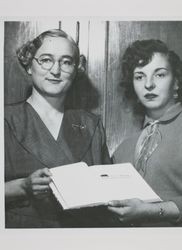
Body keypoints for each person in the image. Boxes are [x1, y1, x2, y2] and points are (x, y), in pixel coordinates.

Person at [5, 29, 111, 228]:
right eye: (46, 60)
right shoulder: (6, 119)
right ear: (29, 65)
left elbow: (107, 189)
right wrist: (23, 186)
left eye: (66, 62)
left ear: (75, 69)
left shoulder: (91, 124)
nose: (55, 70)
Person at [109, 39, 182, 227]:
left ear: (176, 83)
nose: (148, 84)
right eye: (139, 76)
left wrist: (148, 211)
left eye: (159, 75)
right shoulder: (124, 148)